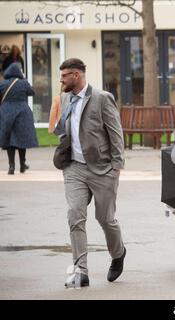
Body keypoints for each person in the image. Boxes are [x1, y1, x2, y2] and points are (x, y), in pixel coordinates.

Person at [54, 58, 126, 287]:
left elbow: (116, 134)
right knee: (75, 215)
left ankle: (118, 253)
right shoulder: (65, 98)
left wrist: (116, 167)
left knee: (105, 219)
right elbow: (64, 129)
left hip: (103, 169)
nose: (61, 79)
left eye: (65, 75)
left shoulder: (102, 98)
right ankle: (80, 271)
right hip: (74, 168)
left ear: (76, 75)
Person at [0, 63, 38, 174]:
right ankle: (22, 165)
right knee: (22, 140)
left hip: (6, 111)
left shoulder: (2, 83)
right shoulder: (23, 83)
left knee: (9, 141)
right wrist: (24, 79)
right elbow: (32, 92)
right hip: (22, 112)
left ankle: (11, 166)